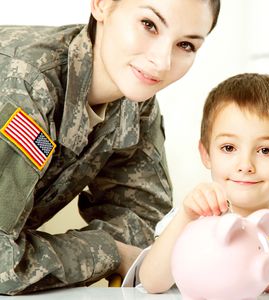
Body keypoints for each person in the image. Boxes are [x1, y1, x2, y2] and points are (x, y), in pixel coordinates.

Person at [0, 0, 220, 295]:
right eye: (149, 25)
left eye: (186, 45)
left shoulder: (136, 101)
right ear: (102, 5)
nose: (163, 61)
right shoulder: (24, 83)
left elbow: (146, 226)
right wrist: (108, 252)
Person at [131, 73, 269, 293]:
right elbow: (151, 283)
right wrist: (185, 217)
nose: (245, 165)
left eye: (265, 150)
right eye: (229, 148)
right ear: (206, 154)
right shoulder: (188, 219)